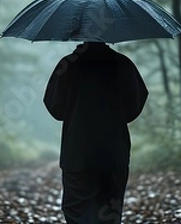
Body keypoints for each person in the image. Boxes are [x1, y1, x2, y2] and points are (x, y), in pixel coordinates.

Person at [44, 41, 148, 224]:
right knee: (109, 210)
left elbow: (55, 107)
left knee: (77, 210)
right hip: (114, 150)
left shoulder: (68, 65)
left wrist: (74, 113)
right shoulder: (123, 64)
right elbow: (135, 104)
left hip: (77, 151)